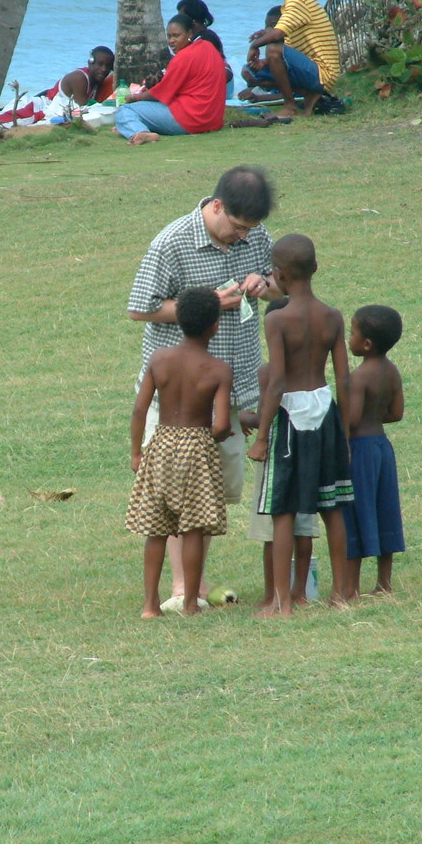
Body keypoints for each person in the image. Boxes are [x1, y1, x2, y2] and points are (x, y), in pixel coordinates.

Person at [127, 166, 280, 604]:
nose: (242, 237)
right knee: (173, 490)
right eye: (236, 227)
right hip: (180, 393)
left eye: (249, 230)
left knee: (209, 490)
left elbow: (277, 286)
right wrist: (207, 304)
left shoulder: (255, 236)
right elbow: (140, 309)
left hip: (234, 386)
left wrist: (263, 284)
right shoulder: (171, 242)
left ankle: (192, 583)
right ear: (216, 207)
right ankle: (181, 587)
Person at [247, 233, 354, 615]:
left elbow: (276, 381)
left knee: (283, 510)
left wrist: (261, 437)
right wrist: (344, 427)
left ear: (278, 274)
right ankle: (341, 593)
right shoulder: (332, 316)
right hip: (324, 408)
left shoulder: (277, 318)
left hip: (289, 414)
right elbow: (343, 378)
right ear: (316, 268)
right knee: (333, 506)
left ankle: (281, 601)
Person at [126, 288, 233, 617]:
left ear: (179, 321)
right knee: (193, 527)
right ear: (215, 325)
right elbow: (222, 425)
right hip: (198, 446)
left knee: (156, 528)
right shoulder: (218, 369)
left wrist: (136, 453)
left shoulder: (159, 359)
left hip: (161, 443)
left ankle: (149, 606)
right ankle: (189, 603)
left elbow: (140, 410)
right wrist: (210, 435)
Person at [240, 309, 320, 609]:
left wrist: (243, 417)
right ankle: (299, 591)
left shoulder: (267, 372)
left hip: (275, 452)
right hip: (307, 449)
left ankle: (273, 592)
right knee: (303, 528)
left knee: (271, 531)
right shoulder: (313, 371)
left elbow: (266, 414)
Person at [342, 305, 406, 596]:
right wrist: (374, 416)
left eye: (351, 332)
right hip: (382, 446)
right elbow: (397, 413)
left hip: (360, 450)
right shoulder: (391, 371)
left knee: (355, 511)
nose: (348, 338)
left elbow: (352, 420)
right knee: (384, 507)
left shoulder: (357, 378)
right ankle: (384, 583)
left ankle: (351, 587)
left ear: (366, 344)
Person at [246, 0, 342, 118]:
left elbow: (277, 35)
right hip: (311, 69)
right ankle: (310, 95)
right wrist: (262, 62)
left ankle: (290, 106)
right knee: (250, 71)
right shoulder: (290, 4)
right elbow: (286, 51)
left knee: (273, 48)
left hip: (323, 73)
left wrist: (254, 46)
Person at [114, 14, 226, 146]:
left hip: (190, 119)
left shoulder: (183, 57)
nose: (171, 41)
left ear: (190, 33)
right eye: (169, 36)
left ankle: (138, 131)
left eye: (176, 36)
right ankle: (132, 126)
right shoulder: (208, 47)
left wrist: (135, 97)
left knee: (125, 110)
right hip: (212, 120)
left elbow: (161, 93)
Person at [0, 46, 115, 125]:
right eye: (100, 64)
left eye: (108, 66)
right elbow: (83, 105)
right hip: (37, 107)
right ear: (91, 62)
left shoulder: (97, 81)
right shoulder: (79, 78)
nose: (104, 69)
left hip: (47, 109)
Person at [176, 0, 235, 97]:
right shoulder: (197, 37)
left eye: (181, 18)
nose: (178, 22)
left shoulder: (206, 38)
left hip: (220, 88)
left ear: (192, 20)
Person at [238, 6, 284, 99]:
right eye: (266, 25)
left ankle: (267, 92)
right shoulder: (269, 38)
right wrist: (255, 45)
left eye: (273, 26)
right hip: (275, 72)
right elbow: (251, 61)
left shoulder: (291, 40)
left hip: (290, 74)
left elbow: (283, 58)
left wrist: (264, 62)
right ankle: (264, 88)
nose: (268, 29)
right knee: (247, 70)